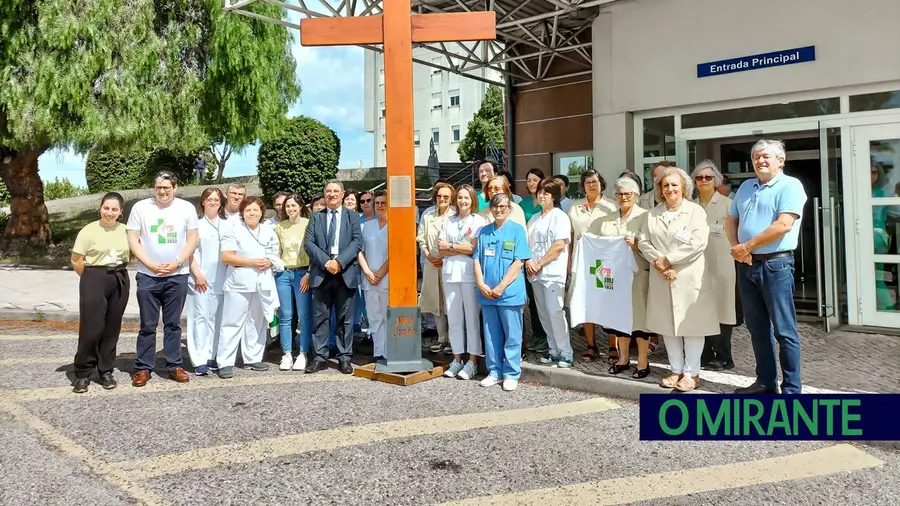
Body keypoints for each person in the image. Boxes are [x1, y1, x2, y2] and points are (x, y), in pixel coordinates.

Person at [727, 139, 807, 394]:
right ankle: (765, 381)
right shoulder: (746, 187)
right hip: (746, 264)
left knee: (784, 330)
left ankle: (792, 389)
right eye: (756, 157)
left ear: (780, 161)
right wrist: (737, 248)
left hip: (776, 265)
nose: (760, 161)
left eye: (766, 156)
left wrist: (747, 245)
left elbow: (784, 224)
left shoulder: (790, 186)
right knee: (757, 328)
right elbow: (731, 220)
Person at [638, 166, 719, 392]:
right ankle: (675, 369)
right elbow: (643, 242)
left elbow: (698, 242)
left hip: (688, 275)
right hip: (661, 275)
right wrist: (660, 262)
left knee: (691, 326)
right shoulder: (652, 214)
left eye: (674, 184)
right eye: (666, 185)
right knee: (668, 325)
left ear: (683, 187)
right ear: (660, 190)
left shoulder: (695, 211)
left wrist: (669, 260)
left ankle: (692, 373)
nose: (670, 189)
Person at [126, 171, 199, 387]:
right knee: (147, 324)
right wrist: (149, 263)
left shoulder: (186, 208)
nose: (162, 191)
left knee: (173, 324)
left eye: (167, 187)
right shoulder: (141, 208)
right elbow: (133, 238)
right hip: (148, 276)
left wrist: (177, 262)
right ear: (154, 188)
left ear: (175, 188)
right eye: (159, 187)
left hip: (177, 275)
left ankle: (174, 365)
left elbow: (192, 239)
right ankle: (143, 367)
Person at [591, 177, 652, 378]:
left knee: (640, 320)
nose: (623, 197)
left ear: (636, 196)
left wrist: (636, 245)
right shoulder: (605, 220)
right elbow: (593, 242)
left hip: (638, 276)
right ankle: (623, 358)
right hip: (614, 278)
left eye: (628, 194)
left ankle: (643, 361)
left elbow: (654, 247)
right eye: (619, 194)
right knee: (619, 319)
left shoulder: (646, 217)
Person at [70, 192, 131, 393]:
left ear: (120, 212)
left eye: (114, 209)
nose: (109, 212)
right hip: (94, 277)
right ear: (100, 208)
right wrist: (90, 280)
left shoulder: (126, 230)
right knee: (92, 327)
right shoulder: (89, 231)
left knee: (112, 327)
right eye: (106, 208)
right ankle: (83, 372)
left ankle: (105, 370)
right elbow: (76, 260)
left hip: (119, 278)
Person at [473, 193, 531, 392]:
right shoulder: (484, 232)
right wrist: (481, 283)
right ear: (491, 208)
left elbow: (519, 262)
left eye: (503, 207)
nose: (499, 210)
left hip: (509, 293)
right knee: (491, 335)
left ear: (509, 209)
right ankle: (495, 371)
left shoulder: (517, 231)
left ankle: (511, 373)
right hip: (487, 294)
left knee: (513, 335)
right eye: (496, 206)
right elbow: (476, 260)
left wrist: (500, 287)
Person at [218, 197, 281, 378]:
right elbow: (227, 257)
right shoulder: (234, 230)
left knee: (256, 322)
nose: (252, 213)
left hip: (261, 282)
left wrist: (269, 262)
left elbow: (275, 254)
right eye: (248, 210)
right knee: (232, 322)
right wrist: (251, 262)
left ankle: (252, 358)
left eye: (255, 210)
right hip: (238, 283)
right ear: (242, 213)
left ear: (262, 212)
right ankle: (225, 361)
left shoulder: (268, 231)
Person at [305, 179, 363, 374]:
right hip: (322, 272)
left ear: (343, 194)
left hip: (345, 272)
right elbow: (309, 244)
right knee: (320, 318)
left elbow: (357, 242)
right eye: (328, 191)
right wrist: (327, 262)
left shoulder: (353, 217)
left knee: (345, 318)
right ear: (324, 194)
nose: (332, 194)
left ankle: (344, 357)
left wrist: (339, 262)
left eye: (336, 191)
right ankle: (320, 357)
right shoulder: (316, 217)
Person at [437, 184, 487, 380]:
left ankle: (473, 360)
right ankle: (457, 358)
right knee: (455, 319)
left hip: (468, 274)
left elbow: (473, 248)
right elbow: (440, 249)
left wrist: (451, 246)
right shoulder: (448, 220)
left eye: (466, 198)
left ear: (472, 200)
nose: (463, 201)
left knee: (472, 319)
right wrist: (459, 247)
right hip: (450, 273)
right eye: (460, 198)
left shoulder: (478, 221)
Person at [567, 169, 616, 363]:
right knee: (585, 302)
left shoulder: (611, 206)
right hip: (581, 260)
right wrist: (569, 259)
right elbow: (570, 235)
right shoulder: (575, 207)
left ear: (601, 183)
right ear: (583, 186)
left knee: (608, 302)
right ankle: (591, 345)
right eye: (587, 182)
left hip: (604, 261)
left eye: (594, 182)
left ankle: (613, 346)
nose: (591, 185)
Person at [692, 160, 738, 371]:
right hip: (697, 268)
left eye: (708, 177)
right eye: (699, 178)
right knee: (702, 311)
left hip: (721, 266)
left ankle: (724, 356)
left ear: (716, 181)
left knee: (722, 310)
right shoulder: (691, 206)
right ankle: (704, 354)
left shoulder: (728, 205)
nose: (703, 181)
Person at [525, 178, 573, 368]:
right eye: (540, 193)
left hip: (552, 273)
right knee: (543, 313)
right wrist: (530, 262)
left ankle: (566, 351)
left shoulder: (560, 216)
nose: (542, 196)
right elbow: (527, 245)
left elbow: (558, 245)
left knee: (555, 311)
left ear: (554, 196)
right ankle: (553, 350)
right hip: (535, 274)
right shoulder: (534, 219)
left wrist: (540, 263)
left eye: (546, 193)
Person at [186, 188, 228, 376]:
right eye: (209, 199)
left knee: (216, 318)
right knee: (199, 318)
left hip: (222, 279)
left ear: (221, 202)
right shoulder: (196, 225)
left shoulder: (227, 225)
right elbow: (190, 253)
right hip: (200, 279)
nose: (213, 202)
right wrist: (197, 275)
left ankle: (213, 355)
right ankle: (199, 359)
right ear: (202, 202)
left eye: (216, 199)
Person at [274, 194, 313, 372]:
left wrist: (309, 273)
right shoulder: (280, 227)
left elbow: (314, 250)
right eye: (287, 206)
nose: (290, 209)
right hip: (284, 274)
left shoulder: (309, 223)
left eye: (293, 205)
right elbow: (276, 251)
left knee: (304, 316)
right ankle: (287, 353)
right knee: (286, 315)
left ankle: (303, 353)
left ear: (300, 206)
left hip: (303, 273)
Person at [418, 183, 456, 354]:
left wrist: (445, 256)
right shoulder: (428, 215)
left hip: (451, 263)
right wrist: (429, 256)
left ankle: (454, 341)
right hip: (432, 264)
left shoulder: (456, 215)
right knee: (436, 303)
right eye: (440, 196)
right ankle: (442, 338)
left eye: (446, 197)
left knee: (451, 302)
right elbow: (421, 239)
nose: (442, 199)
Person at [358, 190, 390, 360]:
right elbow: (360, 251)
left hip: (387, 278)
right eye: (376, 203)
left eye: (383, 202)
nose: (379, 206)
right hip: (369, 278)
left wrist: (380, 273)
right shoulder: (367, 226)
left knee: (386, 316)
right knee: (373, 317)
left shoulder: (394, 226)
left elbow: (395, 254)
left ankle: (389, 351)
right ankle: (378, 352)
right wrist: (368, 272)